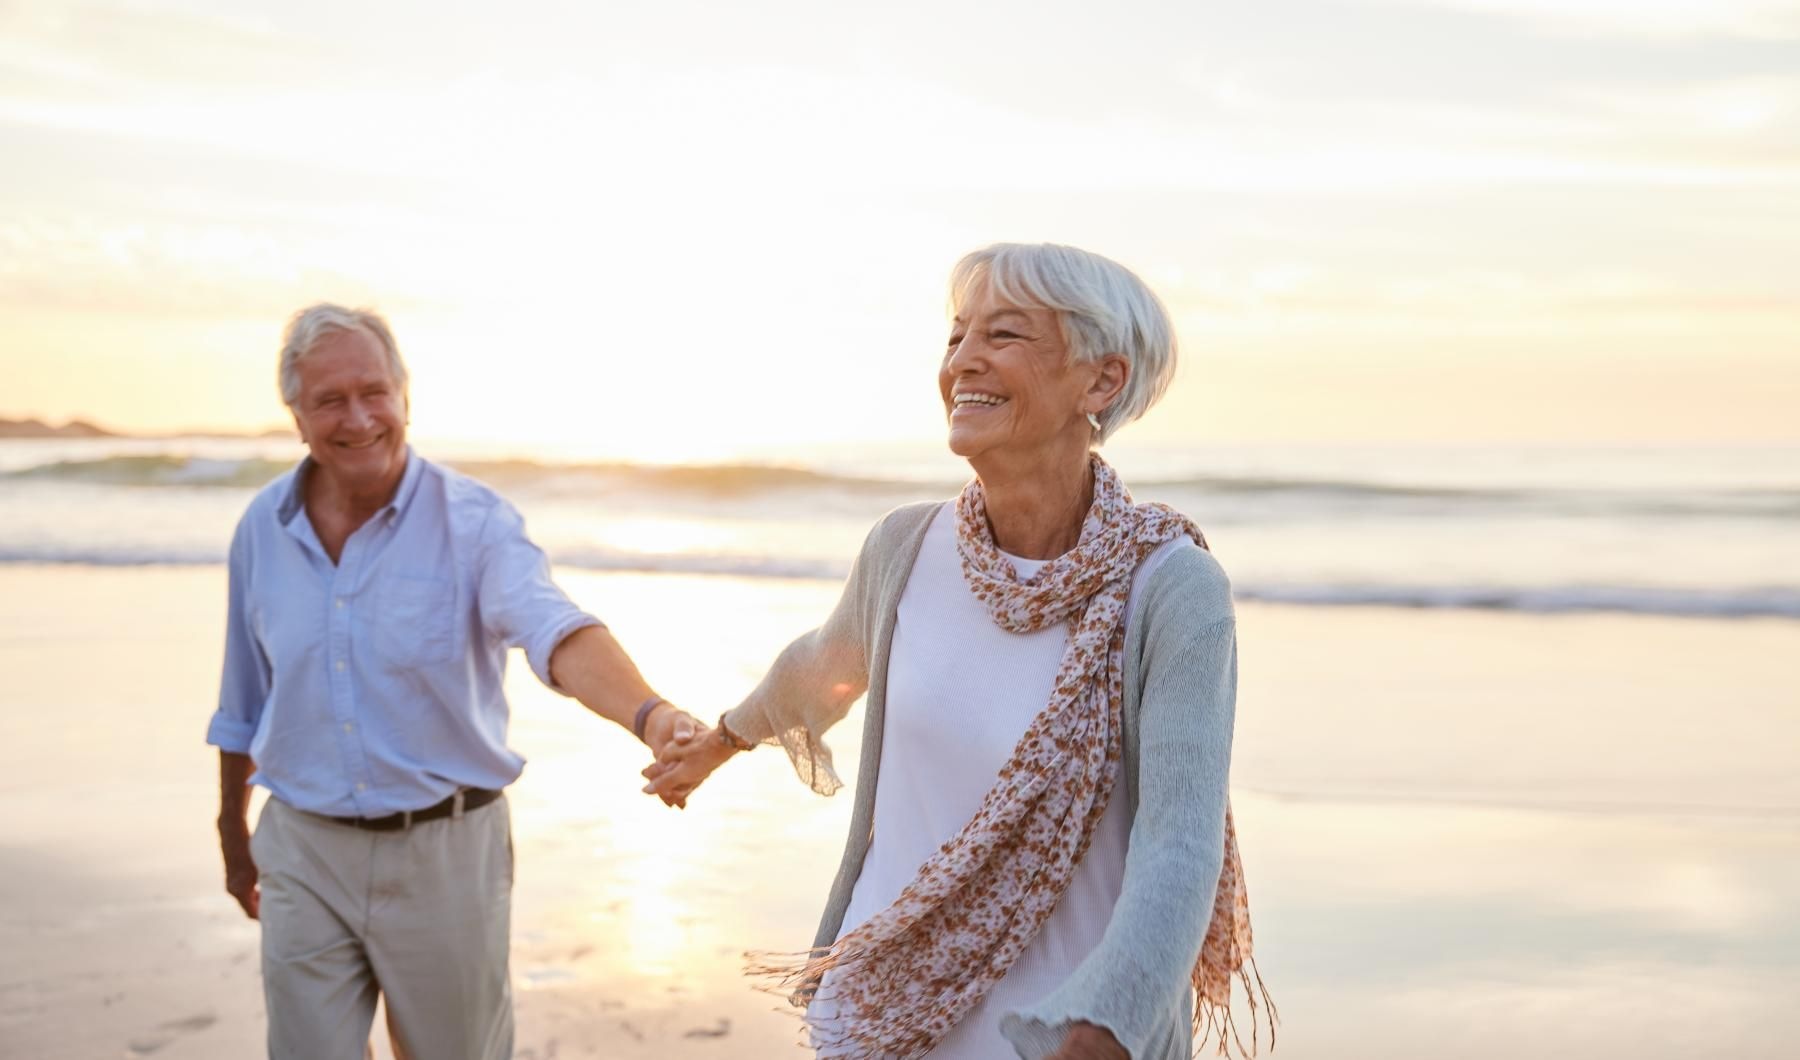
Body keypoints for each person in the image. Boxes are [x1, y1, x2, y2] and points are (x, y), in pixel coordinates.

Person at [646, 244, 1272, 1059]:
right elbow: (820, 669)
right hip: (878, 1020)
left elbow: (1180, 846)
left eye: (1004, 335)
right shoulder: (904, 548)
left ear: (1102, 382)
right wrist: (720, 741)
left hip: (1060, 1037)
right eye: (955, 336)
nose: (962, 361)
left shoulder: (1171, 588)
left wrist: (1109, 1025)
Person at [207, 304, 699, 1060]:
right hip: (302, 849)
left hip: (446, 853)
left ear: (405, 395)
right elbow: (243, 701)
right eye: (329, 400)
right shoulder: (261, 528)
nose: (358, 418)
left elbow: (553, 628)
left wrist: (648, 713)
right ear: (296, 417)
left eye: (374, 392)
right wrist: (232, 833)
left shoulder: (476, 523)